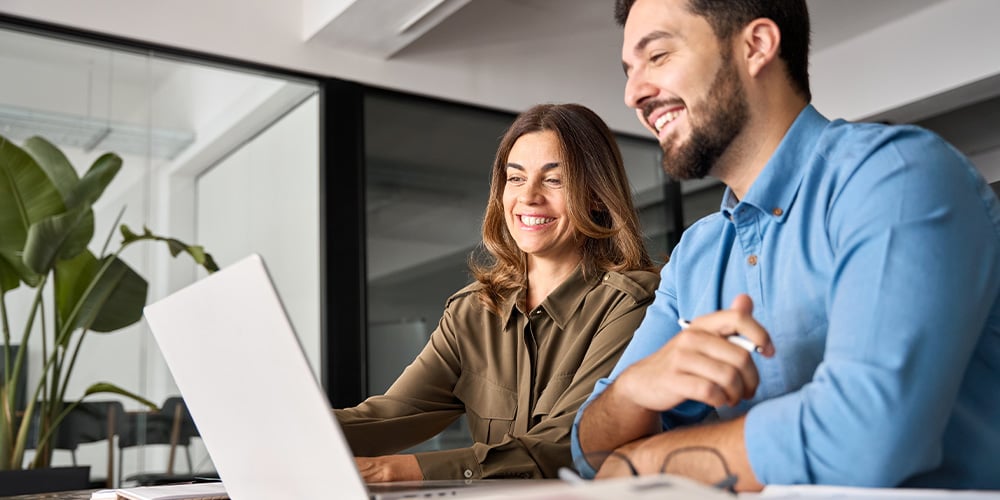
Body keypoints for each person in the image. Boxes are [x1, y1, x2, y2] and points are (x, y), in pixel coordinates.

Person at [571, 0, 1000, 492]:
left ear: (756, 46)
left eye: (659, 56)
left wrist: (643, 460)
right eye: (628, 70)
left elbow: (862, 440)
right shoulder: (697, 256)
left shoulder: (897, 176)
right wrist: (631, 393)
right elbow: (588, 453)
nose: (632, 93)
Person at [336, 103, 660, 482]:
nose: (529, 197)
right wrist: (283, 425)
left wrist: (393, 470)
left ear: (596, 196)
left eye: (554, 180)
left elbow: (567, 443)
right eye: (516, 178)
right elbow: (391, 416)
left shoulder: (633, 303)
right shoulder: (472, 311)